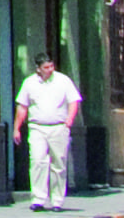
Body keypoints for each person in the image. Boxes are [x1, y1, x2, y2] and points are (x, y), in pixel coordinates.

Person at [11, 53, 84, 210]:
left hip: (58, 126)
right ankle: (38, 199)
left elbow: (73, 101)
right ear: (38, 69)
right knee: (37, 161)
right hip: (37, 127)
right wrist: (16, 128)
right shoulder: (29, 83)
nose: (50, 70)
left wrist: (69, 120)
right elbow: (22, 106)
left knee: (59, 163)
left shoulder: (63, 80)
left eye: (51, 66)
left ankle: (57, 200)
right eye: (46, 67)